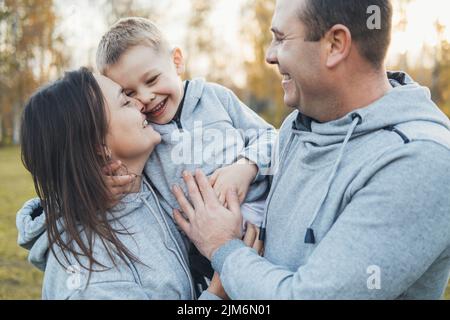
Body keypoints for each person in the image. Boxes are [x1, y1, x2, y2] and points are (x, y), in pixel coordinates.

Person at [171, 0, 450, 299]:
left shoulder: (419, 160)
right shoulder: (299, 124)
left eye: (280, 39)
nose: (269, 55)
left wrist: (223, 249)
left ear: (335, 44)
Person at [95, 17, 276, 293]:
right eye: (130, 93)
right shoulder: (144, 138)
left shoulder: (216, 99)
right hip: (200, 255)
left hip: (264, 225)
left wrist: (246, 166)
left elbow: (272, 138)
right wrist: (101, 186)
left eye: (152, 79)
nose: (146, 97)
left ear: (177, 61)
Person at [16, 68, 227, 299]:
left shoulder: (145, 186)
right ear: (98, 145)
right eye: (125, 101)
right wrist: (219, 292)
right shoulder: (92, 282)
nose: (140, 104)